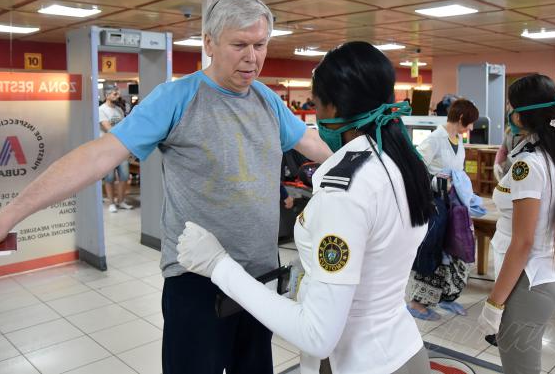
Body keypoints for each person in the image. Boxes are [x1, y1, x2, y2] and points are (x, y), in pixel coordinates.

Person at [0, 0, 332, 374]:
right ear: (209, 43)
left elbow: (314, 145)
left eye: (260, 45)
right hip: (198, 281)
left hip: (259, 278)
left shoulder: (267, 100)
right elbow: (97, 156)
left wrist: (374, 165)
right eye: (239, 45)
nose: (252, 57)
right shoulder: (177, 98)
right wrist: (7, 218)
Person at [177, 41, 435, 374]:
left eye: (315, 104)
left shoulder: (343, 191)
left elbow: (317, 336)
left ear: (333, 108)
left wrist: (218, 265)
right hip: (403, 350)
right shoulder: (401, 163)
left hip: (358, 363)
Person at [478, 73, 555, 374]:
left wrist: (494, 303)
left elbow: (523, 241)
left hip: (528, 282)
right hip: (550, 274)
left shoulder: (527, 166)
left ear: (521, 115)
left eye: (511, 106)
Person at [407, 99, 480, 320]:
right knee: (431, 247)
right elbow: (416, 169)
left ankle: (447, 297)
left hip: (453, 202)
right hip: (435, 202)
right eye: (470, 122)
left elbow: (459, 171)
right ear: (460, 118)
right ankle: (416, 302)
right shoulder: (434, 139)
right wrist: (438, 180)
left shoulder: (458, 139)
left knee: (455, 249)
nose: (472, 128)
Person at [99, 86, 133, 212]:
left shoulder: (119, 110)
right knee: (110, 177)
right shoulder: (101, 110)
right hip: (108, 149)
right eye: (114, 94)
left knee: (124, 176)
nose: (117, 96)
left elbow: (125, 126)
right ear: (107, 95)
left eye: (117, 93)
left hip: (121, 148)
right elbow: (109, 128)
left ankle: (121, 201)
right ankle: (112, 203)